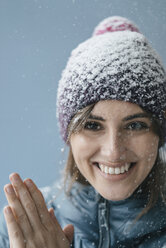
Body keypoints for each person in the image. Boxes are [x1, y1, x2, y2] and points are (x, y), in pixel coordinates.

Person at [0, 16, 166, 248]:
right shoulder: (20, 228)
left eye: (135, 125)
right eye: (92, 125)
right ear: (69, 135)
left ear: (159, 135)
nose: (113, 151)